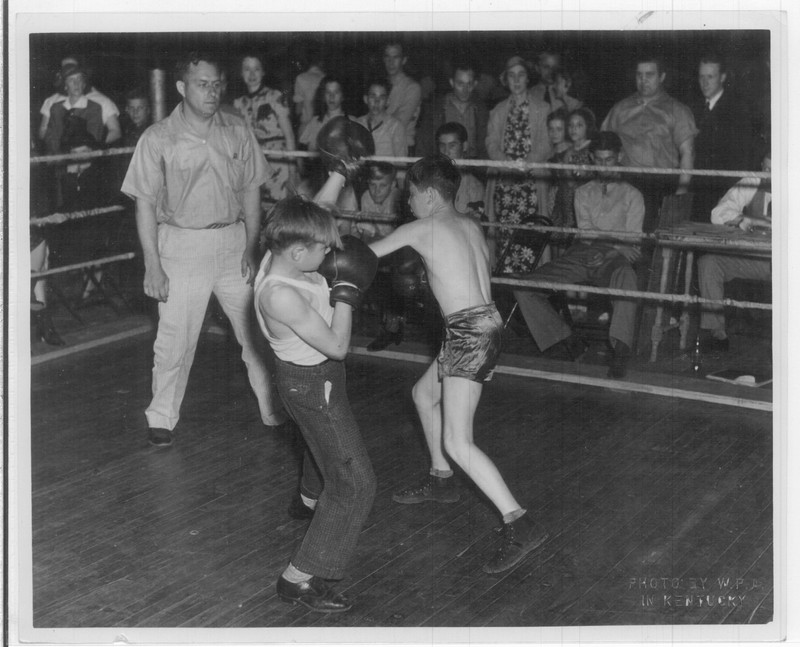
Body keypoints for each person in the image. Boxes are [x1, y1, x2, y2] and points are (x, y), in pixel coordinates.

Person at [369, 154, 549, 574]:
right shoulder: (469, 224)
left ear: (429, 195)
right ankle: (441, 479)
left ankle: (519, 522)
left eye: (411, 195)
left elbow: (364, 257)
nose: (408, 202)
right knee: (422, 395)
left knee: (459, 441)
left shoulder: (423, 227)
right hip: (482, 323)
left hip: (469, 333)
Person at [121, 51, 286, 447]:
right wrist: (153, 266)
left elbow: (251, 191)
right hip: (181, 245)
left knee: (258, 333)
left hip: (232, 242)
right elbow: (144, 203)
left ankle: (275, 409)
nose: (212, 92)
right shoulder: (157, 137)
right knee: (175, 339)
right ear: (181, 87)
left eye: (216, 84)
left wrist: (250, 247)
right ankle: (161, 417)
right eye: (202, 84)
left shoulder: (236, 129)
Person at [254, 171, 378, 613]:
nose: (333, 251)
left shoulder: (279, 254)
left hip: (313, 381)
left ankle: (308, 498)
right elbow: (339, 347)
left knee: (319, 443)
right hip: (313, 384)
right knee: (356, 483)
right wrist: (346, 293)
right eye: (325, 248)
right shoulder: (280, 296)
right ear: (299, 250)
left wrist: (338, 173)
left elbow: (314, 216)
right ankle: (298, 578)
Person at [512, 132, 645, 379]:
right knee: (523, 285)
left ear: (619, 158)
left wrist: (611, 250)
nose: (604, 166)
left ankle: (620, 350)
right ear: (593, 159)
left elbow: (633, 241)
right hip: (583, 254)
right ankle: (565, 339)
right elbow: (585, 233)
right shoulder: (583, 192)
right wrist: (614, 244)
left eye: (609, 160)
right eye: (599, 160)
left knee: (627, 280)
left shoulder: (633, 196)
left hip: (615, 260)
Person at [601, 54, 697, 233]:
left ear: (662, 77)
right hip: (625, 182)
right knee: (619, 238)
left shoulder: (678, 110)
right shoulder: (620, 108)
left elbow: (688, 153)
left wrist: (680, 194)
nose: (643, 80)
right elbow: (604, 146)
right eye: (639, 75)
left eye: (649, 75)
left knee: (649, 242)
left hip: (660, 185)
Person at [696, 150, 771, 353]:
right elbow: (718, 212)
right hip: (756, 260)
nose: (768, 174)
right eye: (765, 168)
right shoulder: (753, 181)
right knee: (709, 262)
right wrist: (740, 220)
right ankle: (716, 333)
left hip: (788, 263)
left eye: (774, 170)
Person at [485, 55, 552, 272]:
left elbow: (546, 143)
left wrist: (526, 163)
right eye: (511, 76)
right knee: (504, 236)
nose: (516, 80)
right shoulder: (498, 110)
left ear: (528, 78)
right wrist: (507, 164)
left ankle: (530, 289)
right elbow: (491, 143)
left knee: (531, 235)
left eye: (521, 75)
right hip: (505, 184)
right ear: (505, 79)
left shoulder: (543, 109)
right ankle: (506, 288)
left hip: (531, 183)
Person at [690, 53, 759, 222]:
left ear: (722, 77)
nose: (704, 82)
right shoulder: (692, 107)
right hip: (696, 191)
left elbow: (741, 157)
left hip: (723, 192)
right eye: (701, 76)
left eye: (710, 77)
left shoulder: (737, 109)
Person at [233, 53, 297, 208]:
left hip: (278, 163)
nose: (252, 74)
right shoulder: (238, 103)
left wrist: (293, 174)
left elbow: (289, 136)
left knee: (279, 210)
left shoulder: (274, 96)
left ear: (263, 72)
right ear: (241, 73)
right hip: (253, 164)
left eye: (257, 69)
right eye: (247, 69)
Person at [37, 56, 120, 146]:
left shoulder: (100, 102)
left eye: (78, 78)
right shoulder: (53, 103)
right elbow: (44, 131)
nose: (76, 83)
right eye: (65, 69)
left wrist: (94, 146)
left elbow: (115, 131)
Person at [415, 62, 489, 160]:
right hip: (443, 164)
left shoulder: (481, 110)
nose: (465, 90)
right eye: (460, 84)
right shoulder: (436, 109)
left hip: (474, 166)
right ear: (451, 82)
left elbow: (485, 146)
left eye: (469, 84)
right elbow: (422, 144)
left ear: (475, 84)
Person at [436, 122, 485, 218]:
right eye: (442, 145)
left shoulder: (473, 185)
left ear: (465, 146)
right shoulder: (432, 179)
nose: (446, 152)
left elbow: (473, 222)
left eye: (452, 145)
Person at [384, 41, 422, 154]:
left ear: (404, 60)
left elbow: (398, 123)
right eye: (387, 57)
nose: (391, 62)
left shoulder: (412, 87)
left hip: (403, 148)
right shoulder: (380, 85)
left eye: (395, 57)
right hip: (381, 146)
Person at [354, 79, 406, 158]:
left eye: (381, 97)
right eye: (372, 96)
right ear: (365, 99)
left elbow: (402, 162)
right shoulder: (357, 124)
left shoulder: (395, 127)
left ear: (387, 101)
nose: (376, 101)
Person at [292, 46, 325, 130]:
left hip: (307, 126)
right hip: (324, 125)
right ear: (321, 62)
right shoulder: (326, 78)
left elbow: (298, 108)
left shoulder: (301, 78)